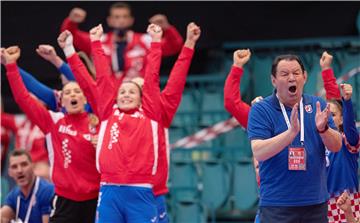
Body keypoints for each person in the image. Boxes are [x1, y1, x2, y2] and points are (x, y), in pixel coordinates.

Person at [2, 46, 101, 223]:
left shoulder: (100, 120)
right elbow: (23, 97)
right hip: (65, 201)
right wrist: (11, 66)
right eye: (67, 92)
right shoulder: (53, 120)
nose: (72, 94)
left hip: (95, 200)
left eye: (77, 91)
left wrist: (102, 144)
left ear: (86, 98)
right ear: (60, 100)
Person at [247, 53, 342, 222]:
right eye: (284, 74)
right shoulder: (261, 110)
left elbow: (336, 146)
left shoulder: (317, 105)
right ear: (274, 80)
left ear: (304, 77)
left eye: (296, 73)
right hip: (277, 206)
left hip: (315, 204)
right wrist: (290, 134)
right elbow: (259, 151)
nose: (292, 78)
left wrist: (324, 129)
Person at [60, 2, 183, 82]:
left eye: (125, 17)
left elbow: (175, 46)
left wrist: (167, 28)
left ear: (131, 20)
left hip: (138, 97)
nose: (121, 20)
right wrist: (71, 21)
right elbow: (70, 37)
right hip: (107, 99)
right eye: (117, 17)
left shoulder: (145, 40)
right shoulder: (98, 40)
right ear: (109, 20)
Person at [319, 52, 360, 223]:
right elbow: (332, 105)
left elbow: (348, 123)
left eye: (333, 115)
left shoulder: (348, 140)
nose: (328, 117)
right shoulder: (318, 142)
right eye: (326, 114)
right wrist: (326, 68)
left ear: (342, 118)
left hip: (348, 200)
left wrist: (347, 100)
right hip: (320, 203)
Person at [1, 150, 54, 223]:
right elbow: (3, 215)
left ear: (32, 166)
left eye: (24, 164)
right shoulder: (14, 195)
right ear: (10, 172)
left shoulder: (47, 190)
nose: (19, 170)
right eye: (14, 167)